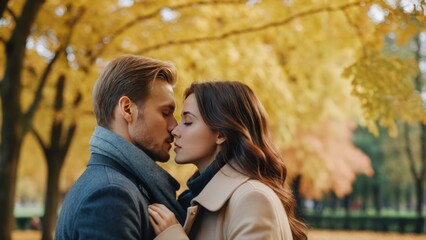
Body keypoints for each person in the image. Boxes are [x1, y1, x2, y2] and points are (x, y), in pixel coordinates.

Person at [148, 81, 308, 240]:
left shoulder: (252, 198)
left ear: (221, 135)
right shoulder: (198, 199)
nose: (175, 131)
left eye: (188, 122)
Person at [55, 55, 186, 240]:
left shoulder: (116, 185)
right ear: (127, 109)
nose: (175, 126)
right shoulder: (111, 195)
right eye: (166, 113)